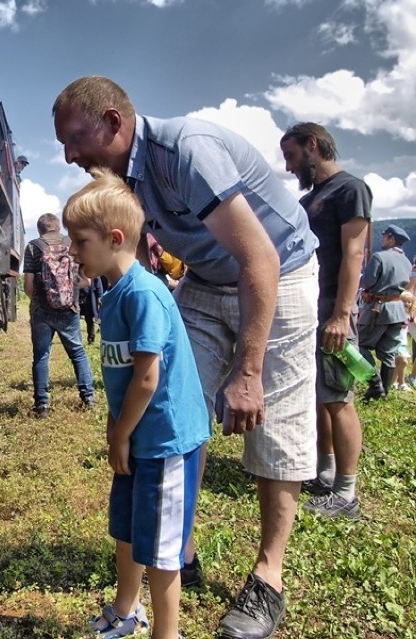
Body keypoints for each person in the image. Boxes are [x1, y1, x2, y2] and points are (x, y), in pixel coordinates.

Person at [53, 76, 320, 639]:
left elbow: (259, 257)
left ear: (112, 122)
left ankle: (267, 581)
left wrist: (248, 372)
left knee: (276, 429)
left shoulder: (186, 151)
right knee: (179, 408)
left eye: (76, 138)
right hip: (207, 278)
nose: (70, 154)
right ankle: (179, 545)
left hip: (277, 270)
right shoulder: (124, 180)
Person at [63, 167, 209, 639]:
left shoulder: (144, 293)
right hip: (135, 435)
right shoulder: (113, 293)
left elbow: (148, 378)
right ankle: (127, 610)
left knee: (163, 552)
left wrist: (120, 432)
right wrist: (116, 429)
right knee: (127, 529)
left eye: (80, 241)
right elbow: (121, 374)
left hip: (163, 440)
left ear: (115, 237)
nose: (71, 251)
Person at [280, 122, 369, 520]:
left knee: (339, 401)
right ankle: (326, 473)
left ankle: (346, 494)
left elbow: (355, 255)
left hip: (334, 311)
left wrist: (341, 314)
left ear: (312, 146)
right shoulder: (312, 199)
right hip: (312, 310)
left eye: (292, 156)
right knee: (321, 398)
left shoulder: (350, 189)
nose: (288, 167)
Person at [23, 212, 95, 418]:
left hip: (41, 311)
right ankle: (88, 398)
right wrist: (69, 292)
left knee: (41, 356)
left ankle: (42, 406)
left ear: (40, 229)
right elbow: (87, 281)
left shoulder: (33, 246)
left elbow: (28, 286)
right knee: (78, 353)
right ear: (57, 227)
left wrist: (42, 299)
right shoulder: (71, 244)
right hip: (69, 310)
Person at [357, 224, 412, 402]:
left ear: (391, 238)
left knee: (360, 346)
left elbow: (367, 282)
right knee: (388, 353)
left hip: (378, 309)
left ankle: (375, 383)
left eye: (385, 237)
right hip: (397, 310)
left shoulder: (379, 257)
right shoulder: (406, 261)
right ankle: (384, 394)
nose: (383, 240)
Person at [392, 290, 414, 391]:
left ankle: (393, 382)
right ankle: (402, 383)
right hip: (395, 341)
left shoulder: (409, 315)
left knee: (398, 363)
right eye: (404, 301)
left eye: (409, 302)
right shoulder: (396, 314)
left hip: (403, 342)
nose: (406, 304)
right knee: (404, 361)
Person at [78, 268, 104, 343]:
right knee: (76, 320)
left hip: (89, 299)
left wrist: (100, 296)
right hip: (78, 298)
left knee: (89, 320)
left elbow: (98, 285)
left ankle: (91, 338)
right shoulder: (75, 269)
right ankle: (77, 339)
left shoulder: (92, 270)